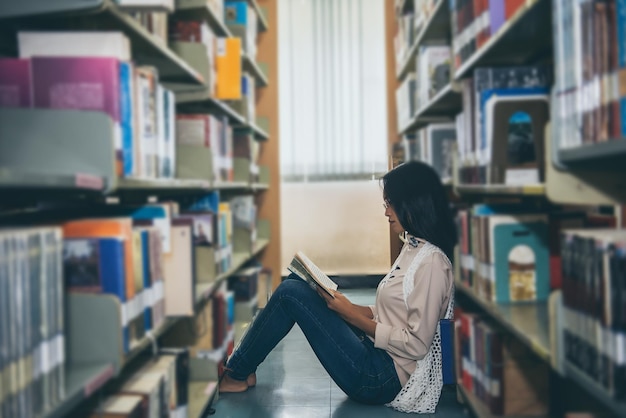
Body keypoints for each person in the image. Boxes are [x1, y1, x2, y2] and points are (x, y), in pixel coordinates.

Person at [219, 161, 457, 413]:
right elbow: (395, 312)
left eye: (391, 204)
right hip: (377, 352)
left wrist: (351, 316)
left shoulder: (432, 263)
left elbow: (417, 345)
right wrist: (347, 306)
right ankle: (244, 369)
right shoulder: (413, 247)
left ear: (413, 203)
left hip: (382, 378)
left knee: (291, 294)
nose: (386, 212)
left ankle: (235, 373)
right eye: (385, 204)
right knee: (296, 283)